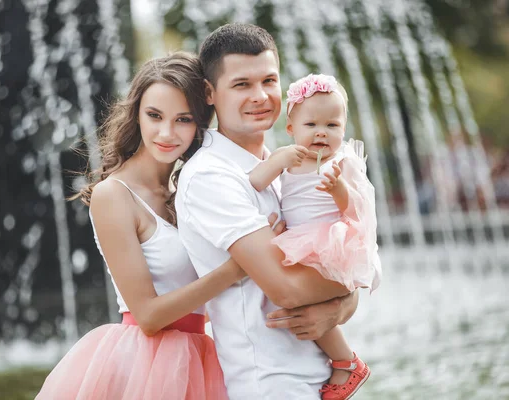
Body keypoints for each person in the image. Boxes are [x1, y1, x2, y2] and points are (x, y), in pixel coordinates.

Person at [36, 52, 250, 400]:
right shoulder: (113, 196)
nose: (167, 133)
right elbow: (148, 316)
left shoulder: (190, 188)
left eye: (183, 119)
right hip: (145, 365)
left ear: (200, 123)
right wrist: (236, 269)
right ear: (136, 114)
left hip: (205, 357)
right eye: (154, 116)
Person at [175, 24, 367, 400]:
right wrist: (361, 275)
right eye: (242, 84)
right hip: (271, 381)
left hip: (318, 375)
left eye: (269, 80)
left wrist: (341, 307)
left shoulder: (286, 167)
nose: (260, 96)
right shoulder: (210, 176)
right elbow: (288, 288)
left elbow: (328, 263)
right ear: (210, 92)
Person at [248, 73, 382, 399]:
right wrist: (278, 159)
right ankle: (345, 361)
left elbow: (357, 207)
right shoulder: (288, 158)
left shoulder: (342, 161)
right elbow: (256, 181)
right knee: (302, 301)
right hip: (297, 238)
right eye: (311, 125)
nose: (322, 132)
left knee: (305, 300)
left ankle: (346, 361)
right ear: (291, 128)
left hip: (329, 239)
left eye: (332, 125)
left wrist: (338, 189)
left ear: (344, 130)